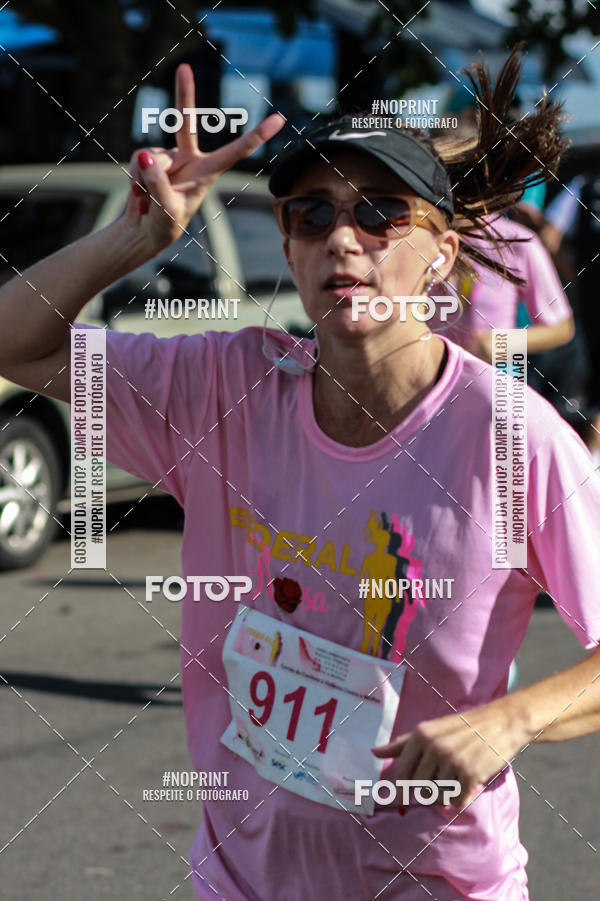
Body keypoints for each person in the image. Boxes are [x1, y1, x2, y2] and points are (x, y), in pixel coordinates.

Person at [1, 49, 600, 901]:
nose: (343, 239)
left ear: (442, 254)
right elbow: (15, 343)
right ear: (288, 246)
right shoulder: (224, 387)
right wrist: (135, 239)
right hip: (242, 882)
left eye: (381, 213)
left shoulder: (512, 438)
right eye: (311, 215)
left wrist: (511, 718)